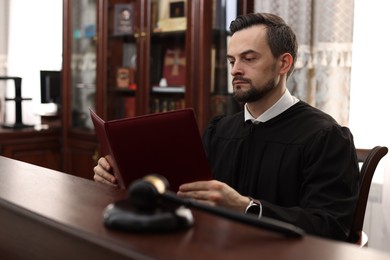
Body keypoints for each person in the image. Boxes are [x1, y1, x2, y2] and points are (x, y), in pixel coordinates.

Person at [94, 13, 359, 242]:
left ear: (284, 63)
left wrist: (247, 207)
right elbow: (182, 194)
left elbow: (331, 229)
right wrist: (121, 178)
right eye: (232, 61)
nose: (235, 70)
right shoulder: (219, 130)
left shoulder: (325, 136)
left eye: (249, 59)